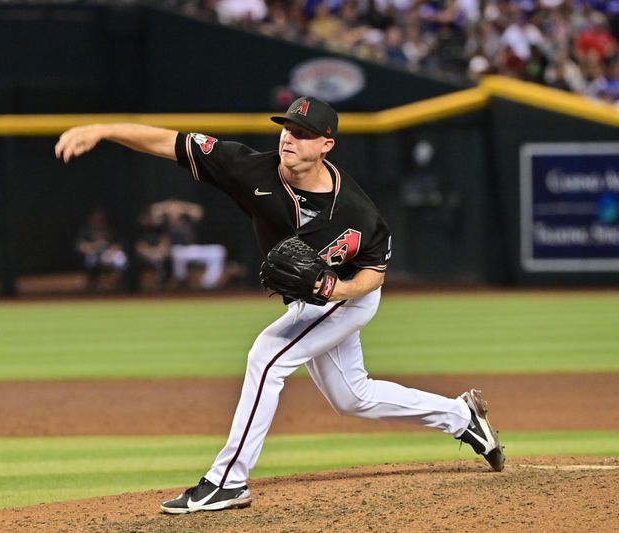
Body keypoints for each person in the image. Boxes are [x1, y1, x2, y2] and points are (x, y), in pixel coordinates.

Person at [55, 96, 504, 515]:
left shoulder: (356, 211)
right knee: (353, 398)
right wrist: (103, 129)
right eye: (286, 128)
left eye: (303, 132)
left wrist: (335, 291)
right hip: (317, 297)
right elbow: (168, 142)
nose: (289, 137)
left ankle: (227, 480)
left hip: (348, 296)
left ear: (326, 144)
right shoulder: (250, 169)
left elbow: (375, 274)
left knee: (266, 358)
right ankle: (461, 416)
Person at [150, 199, 227, 290]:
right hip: (176, 251)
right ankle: (181, 280)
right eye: (172, 210)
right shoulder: (165, 223)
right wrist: (167, 206)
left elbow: (198, 211)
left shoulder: (187, 220)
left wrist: (182, 207)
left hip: (192, 250)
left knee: (218, 251)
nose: (174, 211)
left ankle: (208, 282)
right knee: (177, 253)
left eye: (176, 209)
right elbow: (153, 210)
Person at [75, 207, 128, 292]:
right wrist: (93, 246)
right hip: (93, 252)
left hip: (107, 253)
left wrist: (114, 249)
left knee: (121, 258)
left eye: (100, 218)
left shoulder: (109, 229)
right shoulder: (86, 231)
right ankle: (93, 282)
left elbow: (118, 243)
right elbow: (80, 246)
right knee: (91, 258)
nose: (98, 220)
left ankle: (117, 282)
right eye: (96, 218)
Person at [134, 206, 172, 292]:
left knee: (166, 259)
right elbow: (139, 246)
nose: (148, 219)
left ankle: (163, 284)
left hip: (158, 254)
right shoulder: (138, 230)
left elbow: (165, 243)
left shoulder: (159, 229)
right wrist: (150, 253)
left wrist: (157, 252)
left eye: (149, 217)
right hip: (144, 254)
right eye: (145, 217)